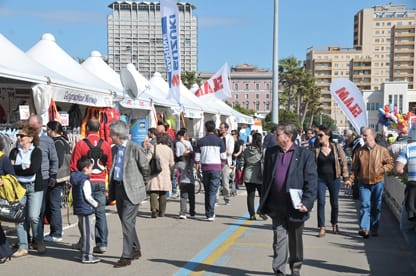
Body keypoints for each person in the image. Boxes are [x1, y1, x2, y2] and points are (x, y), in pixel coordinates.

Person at [258, 123, 317, 276]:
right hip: (276, 205)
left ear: (289, 137)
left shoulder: (305, 155)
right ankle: (279, 270)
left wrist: (308, 202)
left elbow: (311, 181)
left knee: (295, 241)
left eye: (277, 134)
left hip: (296, 206)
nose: (274, 137)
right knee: (279, 239)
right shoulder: (271, 153)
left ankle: (295, 268)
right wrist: (264, 201)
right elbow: (266, 179)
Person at [108, 120, 149, 267]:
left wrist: (143, 183)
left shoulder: (133, 148)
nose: (109, 136)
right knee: (127, 222)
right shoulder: (114, 149)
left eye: (111, 134)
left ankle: (126, 256)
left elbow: (145, 167)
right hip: (119, 189)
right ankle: (135, 248)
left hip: (132, 189)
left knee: (126, 221)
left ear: (118, 135)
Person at [70, 118, 112, 253]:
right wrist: (109, 186)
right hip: (100, 181)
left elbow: (73, 165)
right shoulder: (106, 144)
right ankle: (102, 243)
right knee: (100, 213)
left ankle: (85, 241)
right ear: (99, 129)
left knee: (83, 213)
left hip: (84, 182)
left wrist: (74, 182)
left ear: (87, 128)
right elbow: (109, 165)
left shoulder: (81, 144)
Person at [345, 127, 393, 238]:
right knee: (364, 205)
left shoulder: (382, 150)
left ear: (372, 136)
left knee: (376, 206)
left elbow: (390, 164)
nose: (363, 137)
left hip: (378, 182)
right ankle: (364, 229)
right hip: (363, 183)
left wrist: (382, 170)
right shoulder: (359, 151)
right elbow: (354, 169)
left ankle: (374, 228)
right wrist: (350, 180)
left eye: (365, 135)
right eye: (363, 135)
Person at [9, 121, 43, 257]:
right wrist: (24, 167)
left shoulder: (36, 151)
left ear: (30, 138)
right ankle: (23, 246)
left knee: (34, 216)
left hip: (34, 186)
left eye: (21, 136)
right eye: (17, 135)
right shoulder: (14, 151)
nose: (18, 138)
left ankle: (38, 240)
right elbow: (10, 169)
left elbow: (33, 170)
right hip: (19, 187)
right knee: (19, 217)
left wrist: (19, 168)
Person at [28, 114, 59, 253]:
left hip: (44, 178)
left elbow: (54, 159)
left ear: (40, 125)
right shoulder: (25, 138)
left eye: (33, 126)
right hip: (26, 177)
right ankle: (28, 239)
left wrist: (53, 175)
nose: (31, 128)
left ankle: (37, 239)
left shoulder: (47, 141)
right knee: (26, 211)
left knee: (39, 210)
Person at [314, 125, 349, 237]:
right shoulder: (316, 149)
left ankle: (334, 223)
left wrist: (346, 177)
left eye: (321, 135)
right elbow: (311, 163)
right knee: (321, 202)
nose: (318, 137)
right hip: (320, 179)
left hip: (334, 178)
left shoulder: (336, 147)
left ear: (327, 136)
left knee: (334, 203)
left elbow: (343, 161)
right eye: (318, 135)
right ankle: (322, 227)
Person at [71, 156, 100, 264]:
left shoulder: (76, 178)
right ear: (86, 168)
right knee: (88, 233)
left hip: (79, 208)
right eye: (91, 168)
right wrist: (96, 204)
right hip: (86, 209)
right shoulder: (85, 180)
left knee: (84, 231)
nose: (92, 170)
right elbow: (88, 196)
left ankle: (84, 252)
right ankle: (88, 255)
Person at [195, 120, 226, 221]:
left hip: (205, 168)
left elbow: (197, 158)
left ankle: (208, 213)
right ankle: (211, 213)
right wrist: (221, 167)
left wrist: (197, 169)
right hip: (216, 168)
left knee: (207, 191)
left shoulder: (200, 141)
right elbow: (223, 158)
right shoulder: (220, 141)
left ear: (206, 128)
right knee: (213, 191)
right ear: (214, 128)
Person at [44, 120, 70, 242]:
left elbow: (57, 161)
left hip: (57, 178)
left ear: (52, 130)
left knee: (54, 205)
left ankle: (56, 233)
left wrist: (52, 175)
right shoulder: (64, 140)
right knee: (53, 204)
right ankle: (55, 231)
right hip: (59, 177)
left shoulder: (58, 142)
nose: (46, 132)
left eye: (47, 130)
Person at [394, 125, 416, 255]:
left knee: (406, 227)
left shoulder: (409, 148)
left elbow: (397, 169)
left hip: (413, 194)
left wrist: (405, 171)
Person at [146, 132, 174, 218]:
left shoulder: (153, 148)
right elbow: (172, 163)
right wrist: (172, 173)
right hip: (165, 172)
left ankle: (154, 209)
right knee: (163, 192)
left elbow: (147, 160)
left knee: (153, 191)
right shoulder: (169, 150)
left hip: (154, 172)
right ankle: (162, 212)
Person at [240, 132, 266, 220]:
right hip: (260, 175)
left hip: (248, 175)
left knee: (250, 195)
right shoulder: (262, 150)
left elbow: (242, 162)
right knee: (262, 195)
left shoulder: (246, 150)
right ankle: (261, 211)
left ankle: (252, 214)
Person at [0, 137, 16, 263]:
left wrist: (2, 181)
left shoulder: (3, 159)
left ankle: (5, 251)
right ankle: (5, 251)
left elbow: (12, 177)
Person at [175, 130, 195, 219]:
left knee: (183, 196)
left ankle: (183, 213)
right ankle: (192, 211)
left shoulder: (178, 144)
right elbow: (192, 153)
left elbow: (177, 154)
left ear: (180, 135)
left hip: (183, 180)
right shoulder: (188, 143)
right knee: (191, 196)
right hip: (191, 181)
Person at [218, 122, 234, 205]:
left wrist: (221, 152)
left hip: (226, 162)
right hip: (217, 162)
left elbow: (230, 151)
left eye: (222, 128)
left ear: (226, 129)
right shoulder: (218, 138)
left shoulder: (230, 138)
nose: (220, 129)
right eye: (220, 128)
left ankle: (227, 198)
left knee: (225, 181)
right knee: (216, 181)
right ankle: (216, 199)